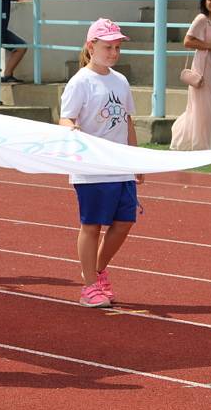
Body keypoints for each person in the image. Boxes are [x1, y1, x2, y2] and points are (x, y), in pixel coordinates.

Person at [58, 18, 141, 307]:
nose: (114, 53)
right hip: (92, 166)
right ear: (91, 46)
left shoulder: (120, 80)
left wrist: (136, 158)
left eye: (117, 48)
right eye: (108, 47)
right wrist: (70, 128)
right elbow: (66, 117)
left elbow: (127, 121)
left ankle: (96, 269)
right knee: (91, 225)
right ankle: (90, 285)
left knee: (125, 221)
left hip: (119, 165)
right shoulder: (80, 81)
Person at [170, 0, 211, 150]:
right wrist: (210, 46)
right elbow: (187, 41)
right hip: (203, 66)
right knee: (204, 105)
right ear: (204, 1)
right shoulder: (201, 19)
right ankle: (201, 142)